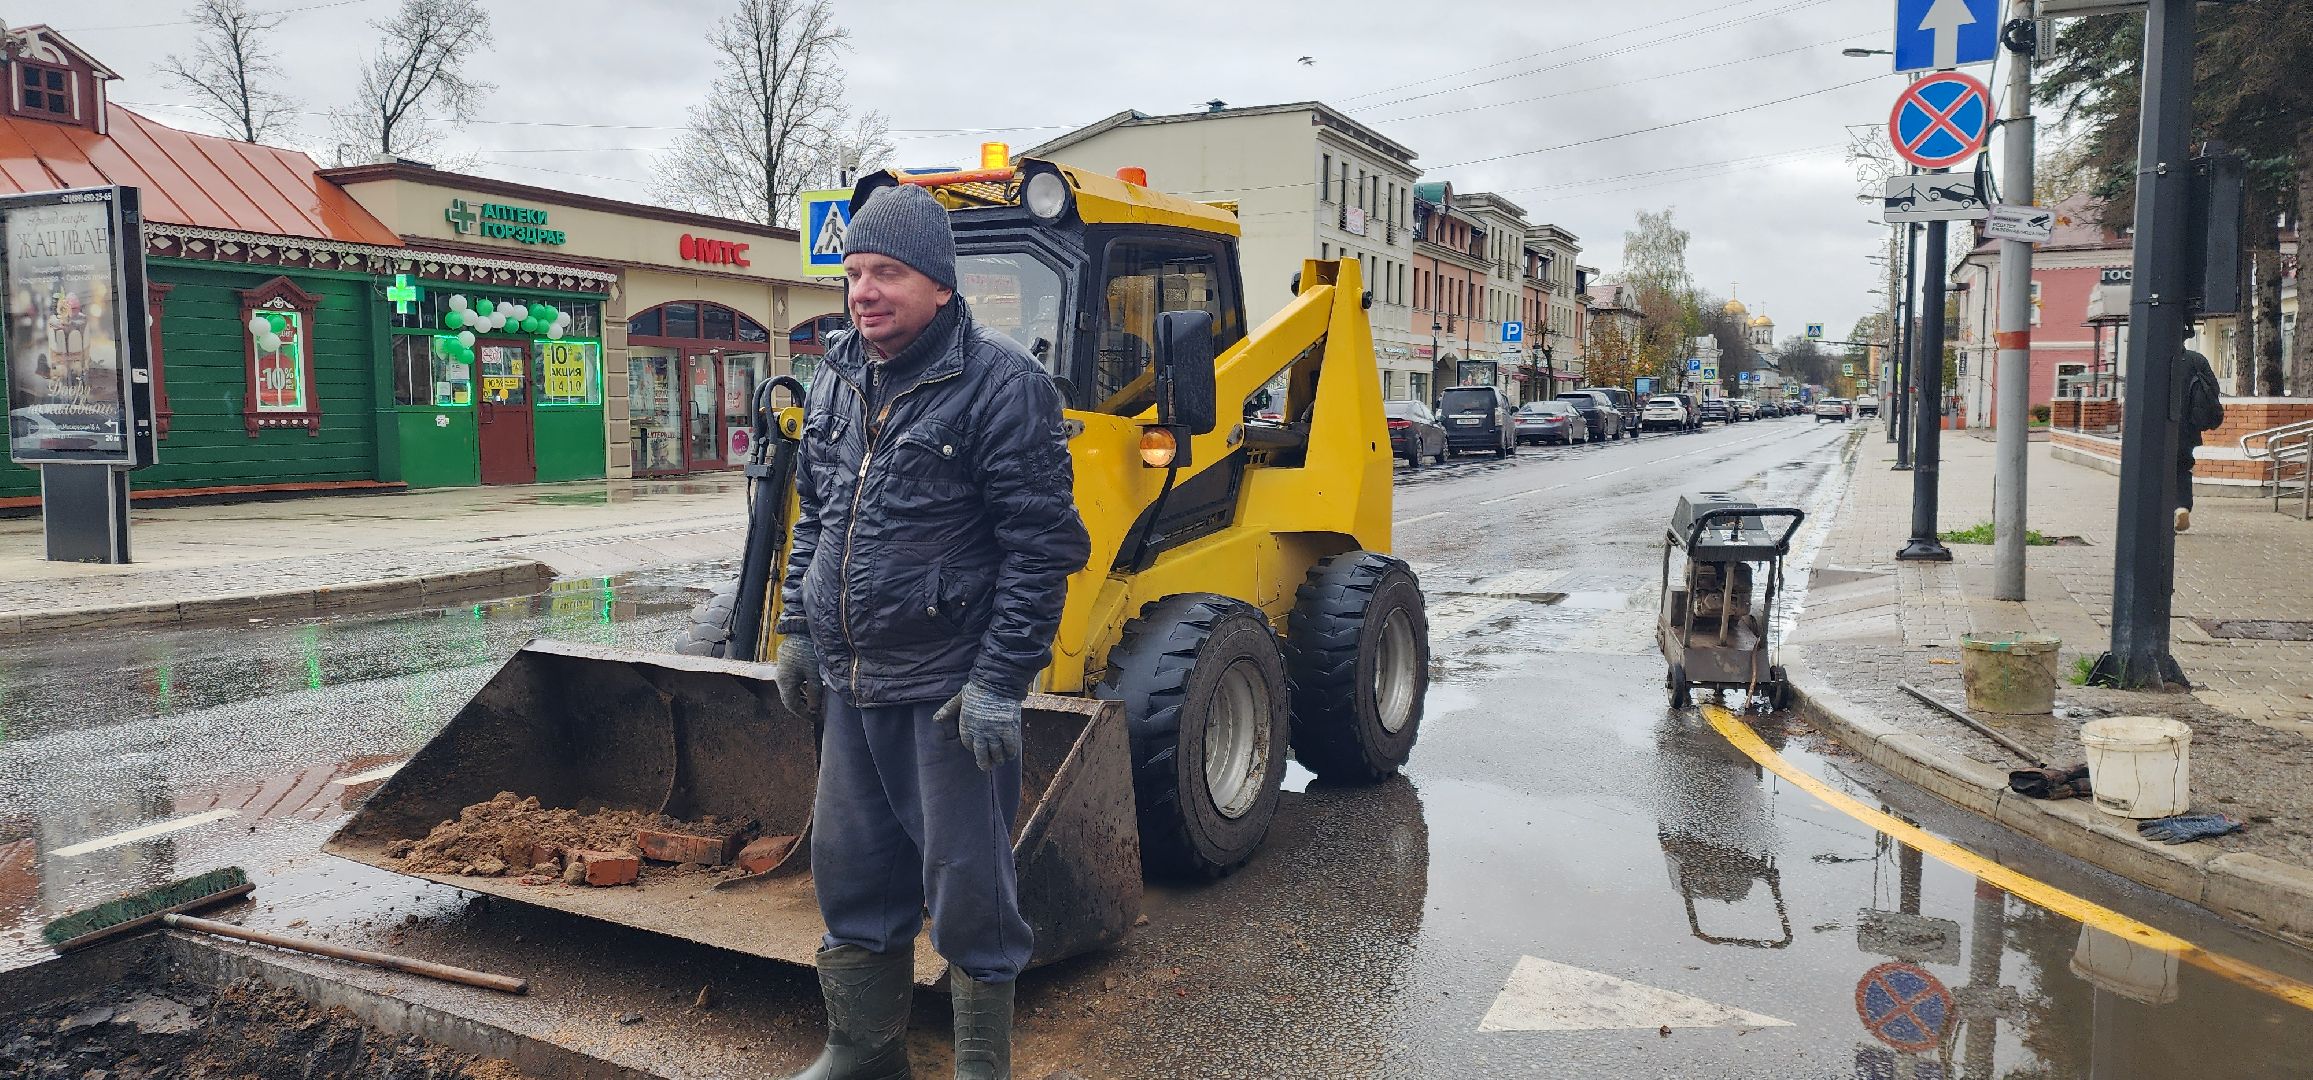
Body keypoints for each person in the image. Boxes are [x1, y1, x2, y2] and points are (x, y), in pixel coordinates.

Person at [772, 183, 1091, 1080]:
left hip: (948, 685)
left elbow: (1040, 548)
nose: (864, 292)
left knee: (968, 889)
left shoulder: (1002, 384)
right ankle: (863, 1049)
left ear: (941, 285)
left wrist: (998, 681)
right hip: (853, 679)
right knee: (853, 871)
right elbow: (818, 514)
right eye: (854, 273)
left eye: (888, 273)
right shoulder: (837, 376)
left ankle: (980, 1065)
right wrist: (797, 625)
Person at [2177, 347, 2224, 532]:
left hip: (2159, 429)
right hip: (2188, 428)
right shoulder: (2197, 360)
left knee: (2158, 470)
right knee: (2183, 466)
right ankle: (2181, 506)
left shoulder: (2156, 359)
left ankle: (2162, 513)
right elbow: (2213, 389)